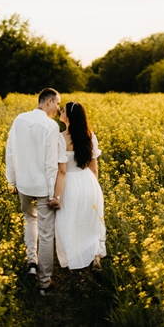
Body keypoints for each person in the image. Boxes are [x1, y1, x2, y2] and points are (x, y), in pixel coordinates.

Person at [5, 87, 67, 296]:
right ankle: (44, 283)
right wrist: (53, 194)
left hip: (23, 184)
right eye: (57, 103)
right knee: (47, 233)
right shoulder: (50, 127)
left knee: (29, 220)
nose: (59, 108)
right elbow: (51, 164)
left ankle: (32, 262)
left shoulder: (19, 119)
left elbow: (10, 150)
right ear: (48, 102)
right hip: (42, 186)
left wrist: (12, 180)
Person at [52, 101, 107, 271]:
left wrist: (57, 196)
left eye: (63, 110)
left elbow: (61, 171)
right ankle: (95, 256)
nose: (60, 111)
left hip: (69, 184)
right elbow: (94, 168)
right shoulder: (90, 136)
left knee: (69, 222)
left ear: (68, 116)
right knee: (90, 222)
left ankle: (76, 259)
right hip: (89, 182)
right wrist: (92, 188)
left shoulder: (61, 138)